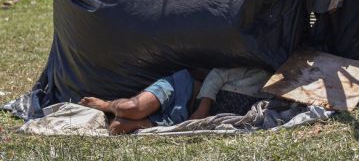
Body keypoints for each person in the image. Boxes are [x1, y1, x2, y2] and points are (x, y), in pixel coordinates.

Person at [80, 67, 270, 135]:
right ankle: (108, 105)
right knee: (133, 108)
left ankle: (135, 122)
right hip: (182, 87)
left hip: (182, 116)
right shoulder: (262, 75)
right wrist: (204, 106)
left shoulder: (273, 103)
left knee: (118, 128)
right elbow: (217, 74)